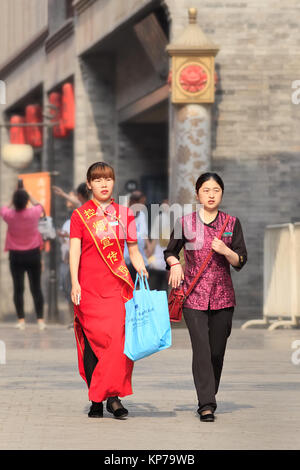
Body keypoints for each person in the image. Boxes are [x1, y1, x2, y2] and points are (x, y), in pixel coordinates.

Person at [164, 172, 247, 422]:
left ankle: (208, 393)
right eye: (206, 190)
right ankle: (206, 404)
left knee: (216, 353)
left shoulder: (232, 223)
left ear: (222, 193)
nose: (211, 195)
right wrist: (175, 264)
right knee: (201, 349)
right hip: (193, 297)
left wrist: (226, 250)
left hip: (223, 298)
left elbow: (241, 260)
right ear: (198, 194)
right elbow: (170, 251)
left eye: (216, 190)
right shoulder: (185, 222)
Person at [69, 162, 148, 419]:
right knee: (93, 346)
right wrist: (74, 283)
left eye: (108, 179)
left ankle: (112, 398)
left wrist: (142, 269)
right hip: (89, 289)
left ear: (113, 182)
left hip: (117, 289)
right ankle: (96, 398)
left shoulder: (125, 215)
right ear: (89, 184)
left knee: (117, 343)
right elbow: (74, 252)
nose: (103, 184)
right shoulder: (80, 216)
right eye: (98, 180)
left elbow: (133, 251)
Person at [0, 187, 46, 330]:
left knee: (18, 288)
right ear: (26, 201)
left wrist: (12, 200)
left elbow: (3, 209)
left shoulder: (10, 215)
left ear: (15, 201)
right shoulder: (33, 213)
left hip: (16, 256)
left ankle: (21, 320)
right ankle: (40, 320)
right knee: (36, 288)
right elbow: (41, 207)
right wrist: (30, 196)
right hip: (33, 254)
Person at [123, 190, 149, 281]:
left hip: (140, 259)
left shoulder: (142, 215)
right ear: (133, 202)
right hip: (126, 260)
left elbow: (143, 235)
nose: (143, 206)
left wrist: (148, 248)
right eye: (141, 203)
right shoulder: (123, 215)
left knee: (139, 289)